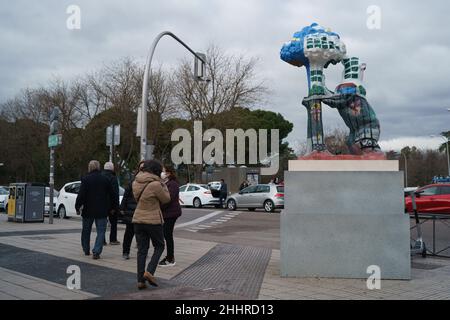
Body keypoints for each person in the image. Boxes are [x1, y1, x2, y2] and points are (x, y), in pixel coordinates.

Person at [132, 159, 170, 290]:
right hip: (152, 220)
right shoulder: (156, 185)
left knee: (142, 250)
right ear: (156, 171)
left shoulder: (136, 182)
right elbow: (166, 199)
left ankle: (140, 281)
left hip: (137, 220)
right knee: (159, 246)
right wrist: (163, 183)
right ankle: (149, 272)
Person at [75, 160, 118, 260]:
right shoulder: (105, 179)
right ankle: (97, 251)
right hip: (102, 210)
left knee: (86, 230)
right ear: (99, 167)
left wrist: (77, 206)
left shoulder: (85, 179)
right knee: (101, 231)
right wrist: (113, 207)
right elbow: (113, 195)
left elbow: (81, 195)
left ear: (89, 167)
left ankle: (86, 249)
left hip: (88, 210)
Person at [120, 161, 144, 260]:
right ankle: (125, 252)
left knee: (142, 234)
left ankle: (142, 252)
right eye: (141, 168)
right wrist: (122, 207)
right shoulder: (133, 181)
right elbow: (126, 195)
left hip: (142, 211)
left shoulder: (149, 181)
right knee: (129, 233)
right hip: (131, 211)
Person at [159, 165, 182, 267]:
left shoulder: (172, 184)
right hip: (168, 213)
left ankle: (170, 258)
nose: (162, 173)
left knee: (167, 235)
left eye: (163, 171)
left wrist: (159, 207)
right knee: (167, 235)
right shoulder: (167, 183)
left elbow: (168, 199)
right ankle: (169, 256)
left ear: (168, 173)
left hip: (171, 213)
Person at [102, 162, 120, 245]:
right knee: (113, 223)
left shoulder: (101, 176)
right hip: (111, 205)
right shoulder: (113, 178)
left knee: (102, 223)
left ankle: (102, 240)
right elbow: (115, 194)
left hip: (102, 205)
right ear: (112, 169)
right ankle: (113, 239)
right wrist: (114, 207)